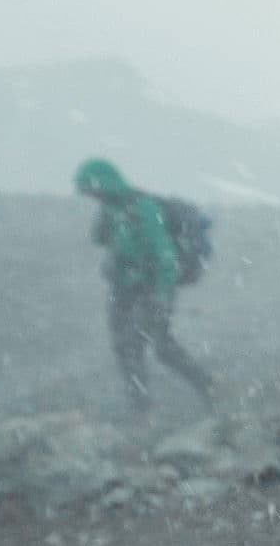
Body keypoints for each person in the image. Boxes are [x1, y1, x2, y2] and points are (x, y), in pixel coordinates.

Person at [74, 157, 215, 413]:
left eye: (93, 191)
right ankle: (143, 405)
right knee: (127, 345)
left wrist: (162, 293)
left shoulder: (144, 208)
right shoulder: (111, 209)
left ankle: (205, 387)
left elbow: (164, 254)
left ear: (105, 184)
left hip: (153, 286)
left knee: (153, 345)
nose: (92, 197)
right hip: (124, 287)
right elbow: (99, 239)